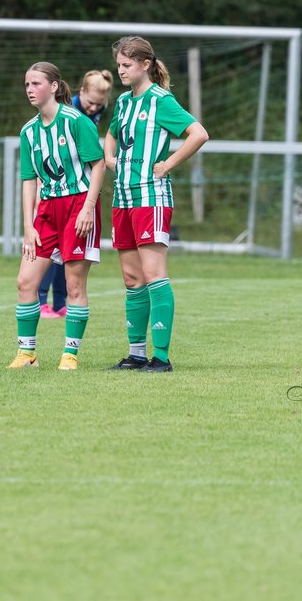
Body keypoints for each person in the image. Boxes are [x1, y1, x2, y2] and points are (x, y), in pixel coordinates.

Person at [103, 37, 209, 371]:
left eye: (127, 65)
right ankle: (136, 355)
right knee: (132, 278)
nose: (121, 70)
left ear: (145, 64)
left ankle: (160, 357)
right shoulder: (122, 103)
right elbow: (114, 133)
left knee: (153, 274)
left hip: (151, 197)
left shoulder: (161, 100)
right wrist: (109, 157)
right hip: (123, 197)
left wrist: (168, 164)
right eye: (119, 65)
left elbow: (198, 134)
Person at [8, 62, 106, 370]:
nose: (30, 89)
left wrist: (89, 207)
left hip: (79, 205)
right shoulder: (28, 131)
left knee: (74, 284)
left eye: (36, 83)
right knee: (25, 281)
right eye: (27, 84)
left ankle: (70, 354)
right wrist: (28, 225)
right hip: (46, 210)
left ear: (53, 86)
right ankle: (27, 354)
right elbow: (28, 179)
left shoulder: (76, 121)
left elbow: (99, 165)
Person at [37, 69, 114, 318]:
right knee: (48, 252)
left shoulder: (96, 109)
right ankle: (40, 300)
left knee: (69, 254)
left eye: (99, 105)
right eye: (90, 103)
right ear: (81, 93)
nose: (93, 108)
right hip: (59, 190)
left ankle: (60, 303)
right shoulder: (69, 112)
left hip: (78, 192)